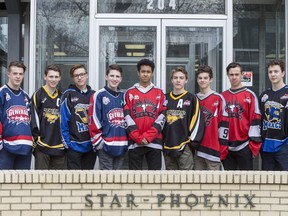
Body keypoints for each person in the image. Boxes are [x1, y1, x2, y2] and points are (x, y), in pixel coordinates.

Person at [124, 59, 166, 170]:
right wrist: (138, 137)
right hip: (135, 142)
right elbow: (127, 117)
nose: (145, 74)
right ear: (138, 73)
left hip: (154, 142)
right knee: (134, 179)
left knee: (155, 179)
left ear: (152, 73)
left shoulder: (160, 93)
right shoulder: (129, 93)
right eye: (143, 71)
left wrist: (148, 137)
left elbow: (162, 117)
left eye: (148, 71)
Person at [162, 67, 205, 170]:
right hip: (168, 146)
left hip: (185, 147)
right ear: (171, 80)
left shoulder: (192, 99)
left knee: (186, 180)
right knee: (171, 180)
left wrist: (190, 144)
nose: (178, 80)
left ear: (186, 80)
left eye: (181, 78)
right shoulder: (165, 98)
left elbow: (198, 122)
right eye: (175, 77)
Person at [221, 62, 262, 170]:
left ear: (241, 75)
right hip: (227, 147)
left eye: (236, 74)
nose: (234, 77)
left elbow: (256, 119)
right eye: (231, 75)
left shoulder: (250, 95)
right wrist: (221, 144)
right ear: (228, 76)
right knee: (229, 182)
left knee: (247, 181)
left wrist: (253, 146)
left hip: (245, 145)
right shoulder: (222, 97)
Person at [88, 64, 128, 170]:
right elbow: (93, 119)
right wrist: (99, 143)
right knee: (107, 181)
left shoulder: (124, 96)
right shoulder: (99, 95)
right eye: (112, 76)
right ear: (106, 77)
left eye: (117, 76)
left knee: (118, 180)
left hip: (122, 145)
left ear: (121, 79)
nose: (114, 79)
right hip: (105, 145)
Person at [60, 64, 96, 170]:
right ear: (73, 78)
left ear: (87, 75)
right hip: (74, 146)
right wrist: (68, 144)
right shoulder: (68, 95)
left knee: (88, 180)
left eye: (82, 74)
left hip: (90, 146)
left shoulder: (94, 95)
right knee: (74, 181)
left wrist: (96, 142)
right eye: (76, 75)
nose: (79, 77)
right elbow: (63, 121)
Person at [30, 64, 66, 170]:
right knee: (41, 183)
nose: (53, 79)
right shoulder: (38, 95)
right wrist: (37, 142)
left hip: (60, 147)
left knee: (58, 183)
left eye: (56, 77)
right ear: (45, 77)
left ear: (59, 78)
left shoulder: (62, 96)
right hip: (42, 147)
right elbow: (33, 121)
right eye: (51, 76)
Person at [195, 65, 229, 170]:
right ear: (197, 80)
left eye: (205, 78)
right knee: (197, 184)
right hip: (197, 150)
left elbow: (224, 125)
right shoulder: (194, 99)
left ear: (211, 80)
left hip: (213, 150)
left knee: (213, 184)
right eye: (200, 78)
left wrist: (223, 148)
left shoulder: (218, 99)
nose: (202, 80)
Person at [0, 61, 33, 169]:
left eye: (20, 74)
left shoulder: (26, 96)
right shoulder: (2, 93)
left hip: (25, 147)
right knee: (4, 183)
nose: (18, 76)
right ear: (8, 74)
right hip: (6, 147)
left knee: (23, 183)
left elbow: (30, 120)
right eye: (15, 73)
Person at [259, 59, 288, 171]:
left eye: (276, 71)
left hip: (284, 146)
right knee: (267, 181)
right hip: (267, 146)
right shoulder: (264, 95)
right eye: (270, 72)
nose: (273, 74)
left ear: (283, 73)